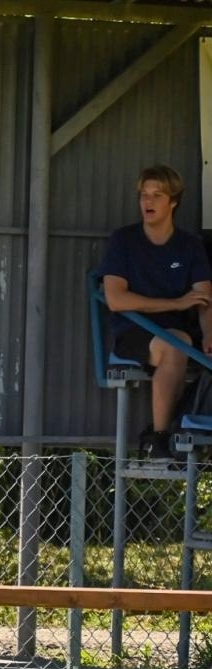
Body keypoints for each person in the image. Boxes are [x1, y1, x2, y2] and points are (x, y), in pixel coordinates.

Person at [100, 164, 212, 460]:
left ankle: (186, 427)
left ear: (173, 201)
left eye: (156, 195)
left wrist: (210, 334)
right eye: (143, 195)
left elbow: (204, 297)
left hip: (181, 333)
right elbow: (115, 299)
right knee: (176, 345)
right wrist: (175, 304)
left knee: (182, 342)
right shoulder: (123, 240)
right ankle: (159, 440)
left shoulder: (190, 246)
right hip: (134, 330)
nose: (147, 202)